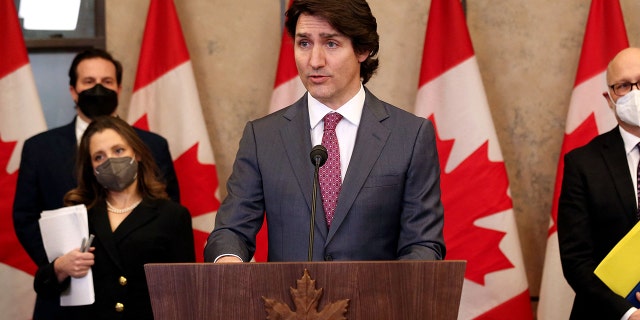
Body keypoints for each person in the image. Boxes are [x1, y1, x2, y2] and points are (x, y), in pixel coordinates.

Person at [204, 0, 445, 263]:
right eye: (304, 43)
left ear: (362, 49)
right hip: (288, 303)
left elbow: (423, 244)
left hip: (376, 302)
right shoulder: (263, 138)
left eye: (331, 43)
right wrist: (228, 261)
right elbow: (230, 231)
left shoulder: (409, 136)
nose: (314, 61)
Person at [12, 48, 179, 319]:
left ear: (119, 88)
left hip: (136, 301)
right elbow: (26, 217)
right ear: (73, 90)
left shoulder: (153, 145)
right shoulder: (39, 148)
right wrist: (60, 265)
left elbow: (168, 215)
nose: (98, 89)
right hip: (65, 297)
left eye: (107, 82)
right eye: (89, 82)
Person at [33, 116, 195, 319]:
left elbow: (185, 294)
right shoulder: (78, 213)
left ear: (136, 154)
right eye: (99, 157)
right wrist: (60, 268)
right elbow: (43, 287)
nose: (110, 160)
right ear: (91, 167)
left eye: (118, 150)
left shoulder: (172, 215)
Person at [558, 47, 640, 320]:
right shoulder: (582, 164)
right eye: (624, 86)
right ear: (609, 98)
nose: (635, 92)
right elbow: (576, 260)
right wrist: (628, 313)